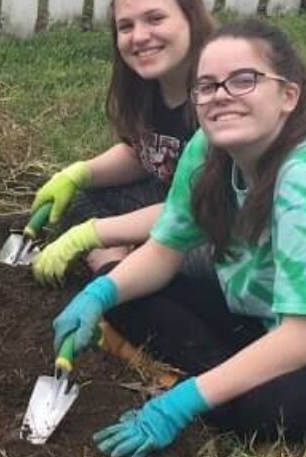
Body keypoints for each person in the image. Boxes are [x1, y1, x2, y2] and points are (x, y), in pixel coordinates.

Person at [51, 18, 306, 457]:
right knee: (123, 292)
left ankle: (208, 387)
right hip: (267, 313)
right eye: (206, 86)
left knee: (266, 409)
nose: (221, 95)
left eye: (244, 80)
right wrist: (97, 296)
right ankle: (226, 379)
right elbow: (162, 251)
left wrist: (183, 403)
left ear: (288, 95)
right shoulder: (207, 150)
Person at [29, 0, 215, 285]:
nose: (138, 37)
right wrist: (78, 174)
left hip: (217, 226)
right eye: (126, 26)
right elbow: (140, 155)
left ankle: (127, 277)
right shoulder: (146, 85)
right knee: (80, 198)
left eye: (155, 19)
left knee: (188, 257)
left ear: (191, 17)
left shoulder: (219, 97)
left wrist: (92, 234)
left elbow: (195, 211)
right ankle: (116, 265)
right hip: (168, 203)